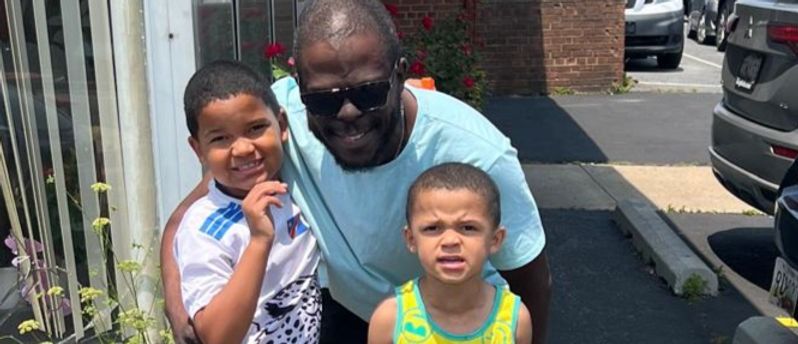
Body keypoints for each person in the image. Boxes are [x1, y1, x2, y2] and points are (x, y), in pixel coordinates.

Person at [161, 1, 551, 343]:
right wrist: (180, 312)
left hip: (451, 322)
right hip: (345, 314)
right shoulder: (274, 127)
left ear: (400, 75)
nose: (348, 114)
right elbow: (186, 218)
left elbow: (528, 274)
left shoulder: (476, 153)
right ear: (299, 91)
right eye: (324, 99)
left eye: (367, 92)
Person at [172, 60, 320, 344]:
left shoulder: (300, 183)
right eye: (220, 138)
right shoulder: (202, 229)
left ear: (282, 125)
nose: (242, 148)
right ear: (198, 149)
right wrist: (259, 240)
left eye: (255, 128)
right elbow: (217, 337)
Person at [368, 163, 533, 344]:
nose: (450, 241)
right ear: (411, 239)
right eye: (432, 228)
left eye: (468, 228)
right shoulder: (391, 319)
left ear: (495, 239)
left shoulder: (514, 320)